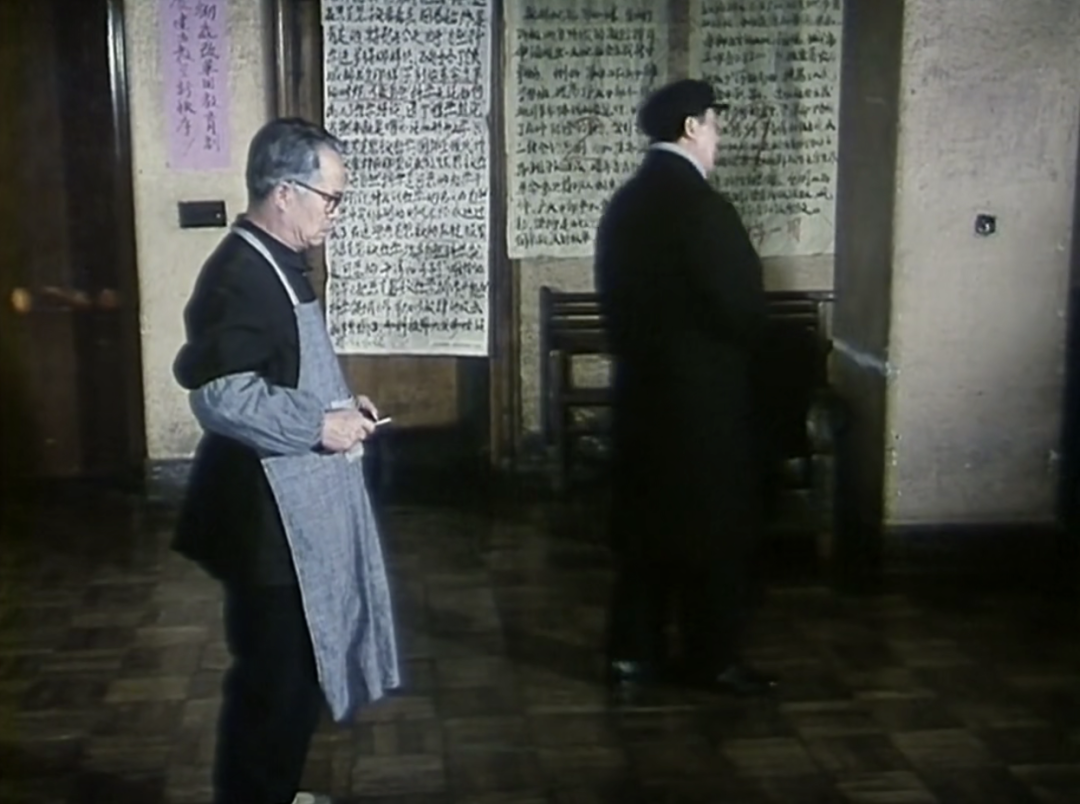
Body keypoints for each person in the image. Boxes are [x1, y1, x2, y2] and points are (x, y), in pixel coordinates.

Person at [172, 117, 400, 804]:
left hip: (285, 512)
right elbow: (221, 394)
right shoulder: (240, 274)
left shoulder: (276, 259)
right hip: (262, 520)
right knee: (273, 682)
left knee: (295, 673)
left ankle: (272, 793)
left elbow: (278, 371)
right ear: (283, 193)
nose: (336, 214)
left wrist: (340, 404)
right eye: (330, 199)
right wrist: (318, 424)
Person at [594, 79, 777, 697]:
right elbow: (742, 307)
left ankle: (632, 659)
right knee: (713, 532)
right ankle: (712, 659)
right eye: (715, 125)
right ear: (692, 128)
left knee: (647, 532)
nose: (718, 139)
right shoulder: (703, 207)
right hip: (705, 404)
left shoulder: (625, 205)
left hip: (642, 396)